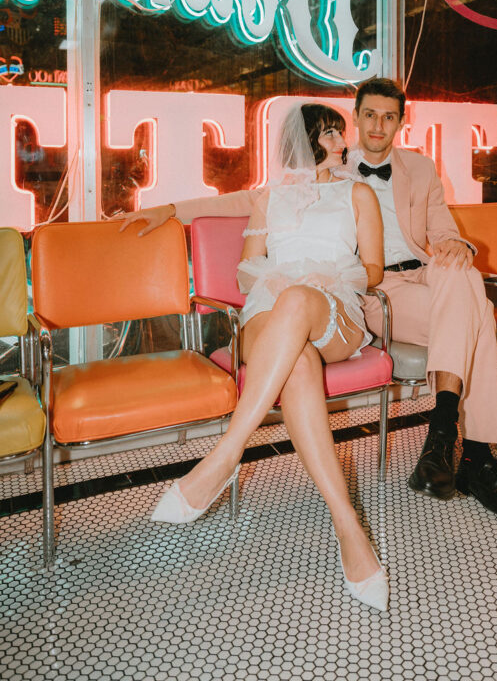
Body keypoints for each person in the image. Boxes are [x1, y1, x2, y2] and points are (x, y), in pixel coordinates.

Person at [119, 103, 389, 611]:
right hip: (272, 307)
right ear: (306, 142)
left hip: (334, 306)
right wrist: (277, 277)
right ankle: (347, 526)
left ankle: (226, 455)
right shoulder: (270, 197)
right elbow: (248, 269)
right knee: (297, 358)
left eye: (340, 133)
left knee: (300, 303)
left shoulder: (358, 193)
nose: (342, 142)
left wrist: (328, 275)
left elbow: (373, 269)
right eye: (330, 134)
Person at [352, 78, 497, 520]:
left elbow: (441, 231)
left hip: (424, 272)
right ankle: (476, 458)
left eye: (388, 116)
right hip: (377, 291)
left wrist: (456, 244)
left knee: (462, 271)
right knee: (477, 318)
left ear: (401, 121)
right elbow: (258, 200)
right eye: (370, 114)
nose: (378, 125)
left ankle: (442, 438)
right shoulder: (332, 167)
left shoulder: (419, 167)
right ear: (355, 116)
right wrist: (182, 210)